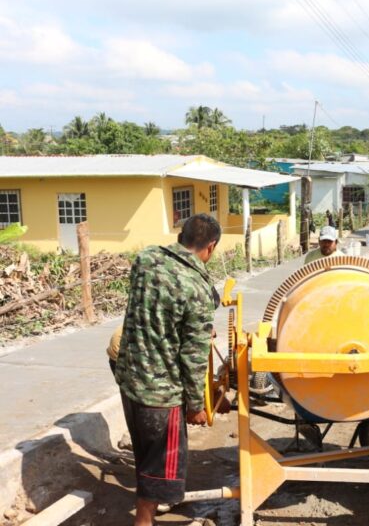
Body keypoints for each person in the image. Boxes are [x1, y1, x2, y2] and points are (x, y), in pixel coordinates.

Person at [114, 213, 221, 526]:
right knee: (163, 460)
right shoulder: (197, 289)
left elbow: (154, 309)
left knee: (145, 451)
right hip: (162, 391)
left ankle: (151, 505)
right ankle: (143, 520)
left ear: (181, 236)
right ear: (210, 247)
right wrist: (197, 406)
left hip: (130, 377)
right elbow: (193, 355)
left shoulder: (145, 260)